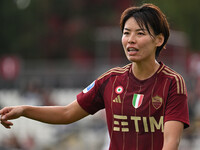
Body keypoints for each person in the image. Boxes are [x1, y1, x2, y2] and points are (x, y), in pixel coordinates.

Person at [0, 3, 189, 150]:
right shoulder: (110, 80)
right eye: (126, 33)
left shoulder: (173, 83)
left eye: (140, 33)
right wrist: (24, 110)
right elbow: (67, 113)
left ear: (159, 39)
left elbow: (171, 142)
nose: (131, 39)